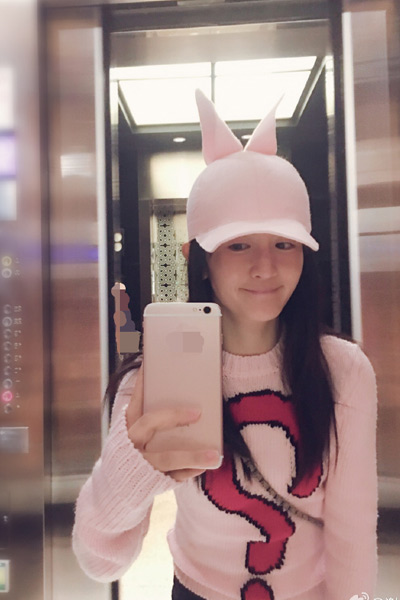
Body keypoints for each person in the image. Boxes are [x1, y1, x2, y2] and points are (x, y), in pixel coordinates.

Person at [72, 90, 378, 600]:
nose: (265, 267)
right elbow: (101, 561)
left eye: (284, 243)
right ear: (199, 258)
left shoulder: (343, 370)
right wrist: (132, 470)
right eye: (239, 245)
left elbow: (352, 536)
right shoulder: (149, 380)